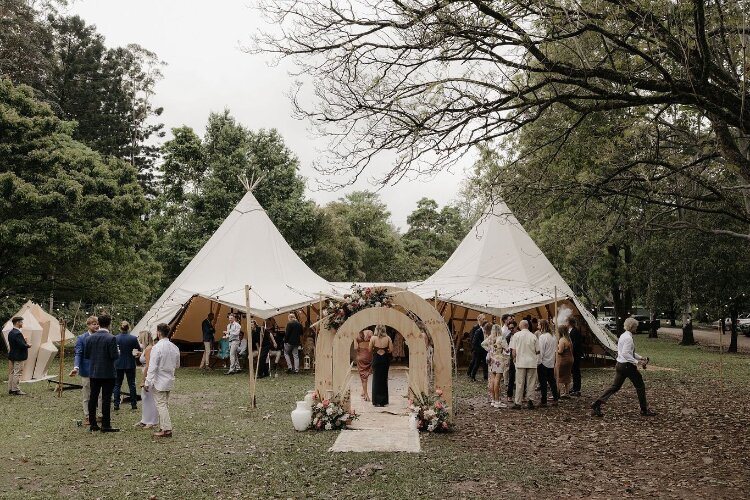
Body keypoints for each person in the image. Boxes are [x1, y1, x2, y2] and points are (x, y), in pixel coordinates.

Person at [591, 317, 656, 417]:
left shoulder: (623, 335)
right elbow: (626, 354)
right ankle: (644, 410)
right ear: (632, 327)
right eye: (636, 326)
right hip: (627, 366)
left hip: (620, 365)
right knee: (640, 386)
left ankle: (596, 404)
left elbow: (628, 352)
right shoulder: (629, 338)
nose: (636, 328)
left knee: (615, 387)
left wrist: (641, 357)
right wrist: (637, 362)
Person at [83, 313, 120, 432]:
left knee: (92, 397)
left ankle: (93, 424)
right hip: (108, 373)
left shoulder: (89, 338)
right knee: (106, 398)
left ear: (99, 323)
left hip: (94, 372)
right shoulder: (111, 338)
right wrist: (118, 351)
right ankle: (106, 424)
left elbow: (87, 355)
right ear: (109, 323)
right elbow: (114, 356)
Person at [144, 323, 181, 438]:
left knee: (161, 405)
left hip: (159, 380)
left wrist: (147, 382)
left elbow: (152, 367)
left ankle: (166, 429)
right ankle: (164, 425)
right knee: (164, 404)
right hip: (169, 378)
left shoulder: (157, 347)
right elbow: (178, 365)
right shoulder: (174, 347)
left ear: (158, 333)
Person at [70, 316, 102, 424]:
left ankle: (100, 414)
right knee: (87, 394)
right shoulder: (81, 338)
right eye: (94, 324)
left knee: (100, 394)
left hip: (100, 370)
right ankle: (87, 416)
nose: (96, 325)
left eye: (97, 323)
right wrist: (76, 367)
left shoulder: (102, 336)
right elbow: (78, 354)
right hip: (86, 370)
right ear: (88, 325)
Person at [511, 320, 539, 409]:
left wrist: (514, 359)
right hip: (531, 362)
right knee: (531, 382)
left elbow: (513, 351)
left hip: (520, 362)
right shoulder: (533, 336)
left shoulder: (516, 335)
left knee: (519, 383)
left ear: (521, 325)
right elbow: (538, 350)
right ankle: (530, 401)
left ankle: (518, 402)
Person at [113, 321, 140, 411]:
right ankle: (133, 404)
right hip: (130, 363)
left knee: (117, 385)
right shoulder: (133, 338)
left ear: (120, 328)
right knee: (131, 384)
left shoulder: (115, 338)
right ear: (129, 328)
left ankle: (116, 404)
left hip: (118, 363)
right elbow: (138, 350)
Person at [134, 332, 158, 429]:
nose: (138, 339)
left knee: (149, 398)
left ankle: (151, 421)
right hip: (145, 371)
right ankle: (145, 419)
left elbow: (148, 365)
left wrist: (144, 380)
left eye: (139, 337)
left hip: (148, 374)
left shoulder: (149, 349)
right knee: (145, 397)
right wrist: (141, 354)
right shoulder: (146, 349)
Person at [482, 324, 508, 408]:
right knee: (497, 381)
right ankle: (497, 401)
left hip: (492, 361)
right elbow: (507, 349)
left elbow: (483, 344)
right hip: (499, 361)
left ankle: (493, 400)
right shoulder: (501, 338)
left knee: (492, 381)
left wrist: (490, 350)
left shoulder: (490, 338)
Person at [537, 320, 559, 406]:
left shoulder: (543, 337)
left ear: (542, 326)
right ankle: (555, 398)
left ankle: (544, 401)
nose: (537, 326)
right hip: (551, 361)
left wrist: (539, 362)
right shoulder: (553, 336)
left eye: (539, 324)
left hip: (543, 362)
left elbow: (541, 351)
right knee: (552, 381)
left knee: (543, 383)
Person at [369, 325, 393, 407]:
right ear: (384, 329)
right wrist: (384, 350)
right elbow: (391, 350)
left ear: (376, 329)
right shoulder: (388, 338)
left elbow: (369, 349)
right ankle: (383, 401)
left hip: (376, 359)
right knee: (384, 379)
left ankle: (376, 401)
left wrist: (376, 350)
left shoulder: (373, 338)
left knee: (376, 379)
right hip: (385, 359)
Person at [7, 316, 29, 395]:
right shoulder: (18, 333)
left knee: (12, 372)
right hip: (18, 356)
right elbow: (22, 345)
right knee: (17, 373)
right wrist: (28, 345)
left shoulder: (11, 332)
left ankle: (10, 389)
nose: (22, 323)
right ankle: (16, 389)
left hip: (12, 355)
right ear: (17, 323)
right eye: (21, 322)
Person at [468, 314, 488, 381]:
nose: (484, 320)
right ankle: (470, 373)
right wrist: (474, 348)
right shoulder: (476, 328)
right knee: (475, 362)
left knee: (485, 363)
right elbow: (473, 339)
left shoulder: (485, 328)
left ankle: (485, 376)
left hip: (484, 348)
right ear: (479, 319)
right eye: (483, 319)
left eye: (485, 319)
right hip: (477, 348)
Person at [555, 325, 574, 398]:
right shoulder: (569, 339)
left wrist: (556, 349)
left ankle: (557, 392)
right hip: (570, 359)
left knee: (559, 375)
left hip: (563, 360)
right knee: (567, 375)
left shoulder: (562, 340)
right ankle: (567, 392)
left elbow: (560, 351)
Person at [355, 329, 373, 401]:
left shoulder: (357, 334)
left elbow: (355, 348)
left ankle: (366, 394)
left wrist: (355, 339)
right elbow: (373, 345)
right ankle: (363, 391)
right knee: (366, 375)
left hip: (361, 356)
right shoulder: (370, 332)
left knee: (363, 376)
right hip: (369, 356)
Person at [568, 317, 583, 396]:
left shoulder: (575, 331)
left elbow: (575, 344)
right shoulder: (573, 331)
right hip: (575, 354)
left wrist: (571, 351)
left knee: (576, 371)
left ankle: (577, 389)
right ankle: (574, 387)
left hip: (575, 355)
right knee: (574, 372)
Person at [504, 320, 518, 402]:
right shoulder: (508, 337)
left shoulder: (520, 335)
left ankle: (522, 395)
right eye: (509, 328)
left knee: (521, 378)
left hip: (520, 359)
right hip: (512, 359)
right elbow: (506, 348)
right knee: (511, 377)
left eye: (512, 328)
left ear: (516, 327)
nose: (511, 330)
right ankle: (509, 395)